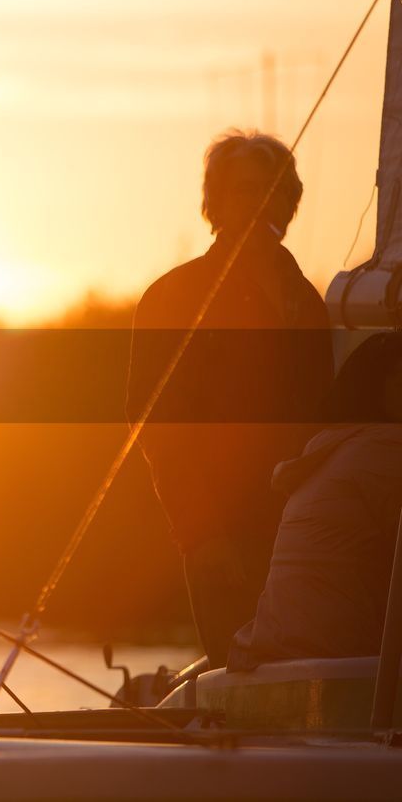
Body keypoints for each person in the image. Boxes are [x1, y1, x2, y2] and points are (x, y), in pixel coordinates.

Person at [126, 130, 334, 668]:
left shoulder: (308, 301)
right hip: (223, 537)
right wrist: (203, 535)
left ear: (290, 206)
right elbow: (159, 430)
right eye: (245, 189)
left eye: (274, 191)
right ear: (213, 204)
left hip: (305, 535)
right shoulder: (176, 296)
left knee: (307, 675)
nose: (262, 203)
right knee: (238, 677)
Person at [230, 332, 402, 669]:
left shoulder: (330, 449)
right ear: (379, 388)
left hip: (276, 657)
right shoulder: (385, 449)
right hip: (343, 665)